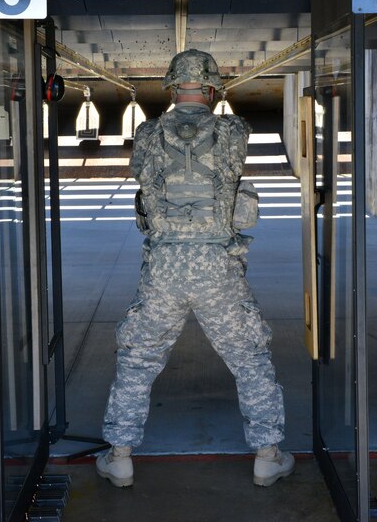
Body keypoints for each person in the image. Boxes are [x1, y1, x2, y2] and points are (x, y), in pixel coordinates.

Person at [97, 49, 293, 488]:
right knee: (248, 358)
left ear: (171, 85)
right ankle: (267, 456)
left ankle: (121, 457)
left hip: (164, 263)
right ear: (212, 87)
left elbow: (142, 178)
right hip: (217, 264)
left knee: (138, 358)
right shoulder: (233, 130)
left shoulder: (147, 133)